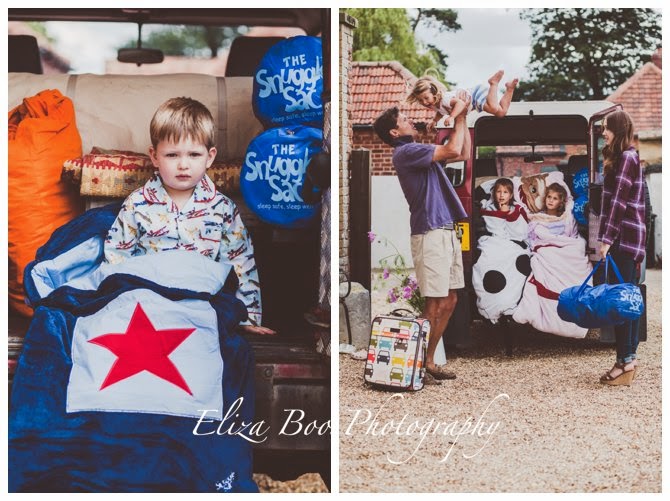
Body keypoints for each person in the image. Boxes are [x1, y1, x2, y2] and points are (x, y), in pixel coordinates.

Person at [104, 96, 275, 335]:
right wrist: (115, 309)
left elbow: (240, 265)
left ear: (210, 157)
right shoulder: (138, 203)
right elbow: (116, 258)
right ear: (154, 156)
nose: (183, 165)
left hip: (204, 305)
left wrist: (247, 320)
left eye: (194, 155)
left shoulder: (222, 208)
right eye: (172, 155)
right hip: (148, 303)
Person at [373, 105, 470, 381]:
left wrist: (463, 119)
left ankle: (428, 361)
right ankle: (416, 364)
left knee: (450, 299)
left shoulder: (418, 151)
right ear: (394, 132)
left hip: (446, 229)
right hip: (429, 232)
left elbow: (461, 151)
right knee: (434, 303)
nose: (410, 120)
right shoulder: (405, 152)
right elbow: (452, 150)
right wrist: (459, 117)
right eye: (403, 119)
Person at [597, 110, 646, 385]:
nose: (604, 132)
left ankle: (624, 361)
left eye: (607, 128)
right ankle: (627, 359)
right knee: (628, 300)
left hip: (624, 239)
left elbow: (618, 203)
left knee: (622, 302)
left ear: (618, 129)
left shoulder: (627, 157)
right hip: (627, 239)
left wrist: (606, 240)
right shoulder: (626, 157)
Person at [407, 71, 518, 131]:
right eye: (421, 100)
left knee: (494, 108)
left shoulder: (445, 99)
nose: (425, 102)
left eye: (426, 98)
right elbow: (440, 113)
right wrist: (434, 121)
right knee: (501, 112)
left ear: (434, 92)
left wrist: (452, 117)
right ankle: (510, 89)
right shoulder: (435, 105)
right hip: (473, 102)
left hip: (474, 95)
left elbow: (460, 103)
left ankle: (493, 83)